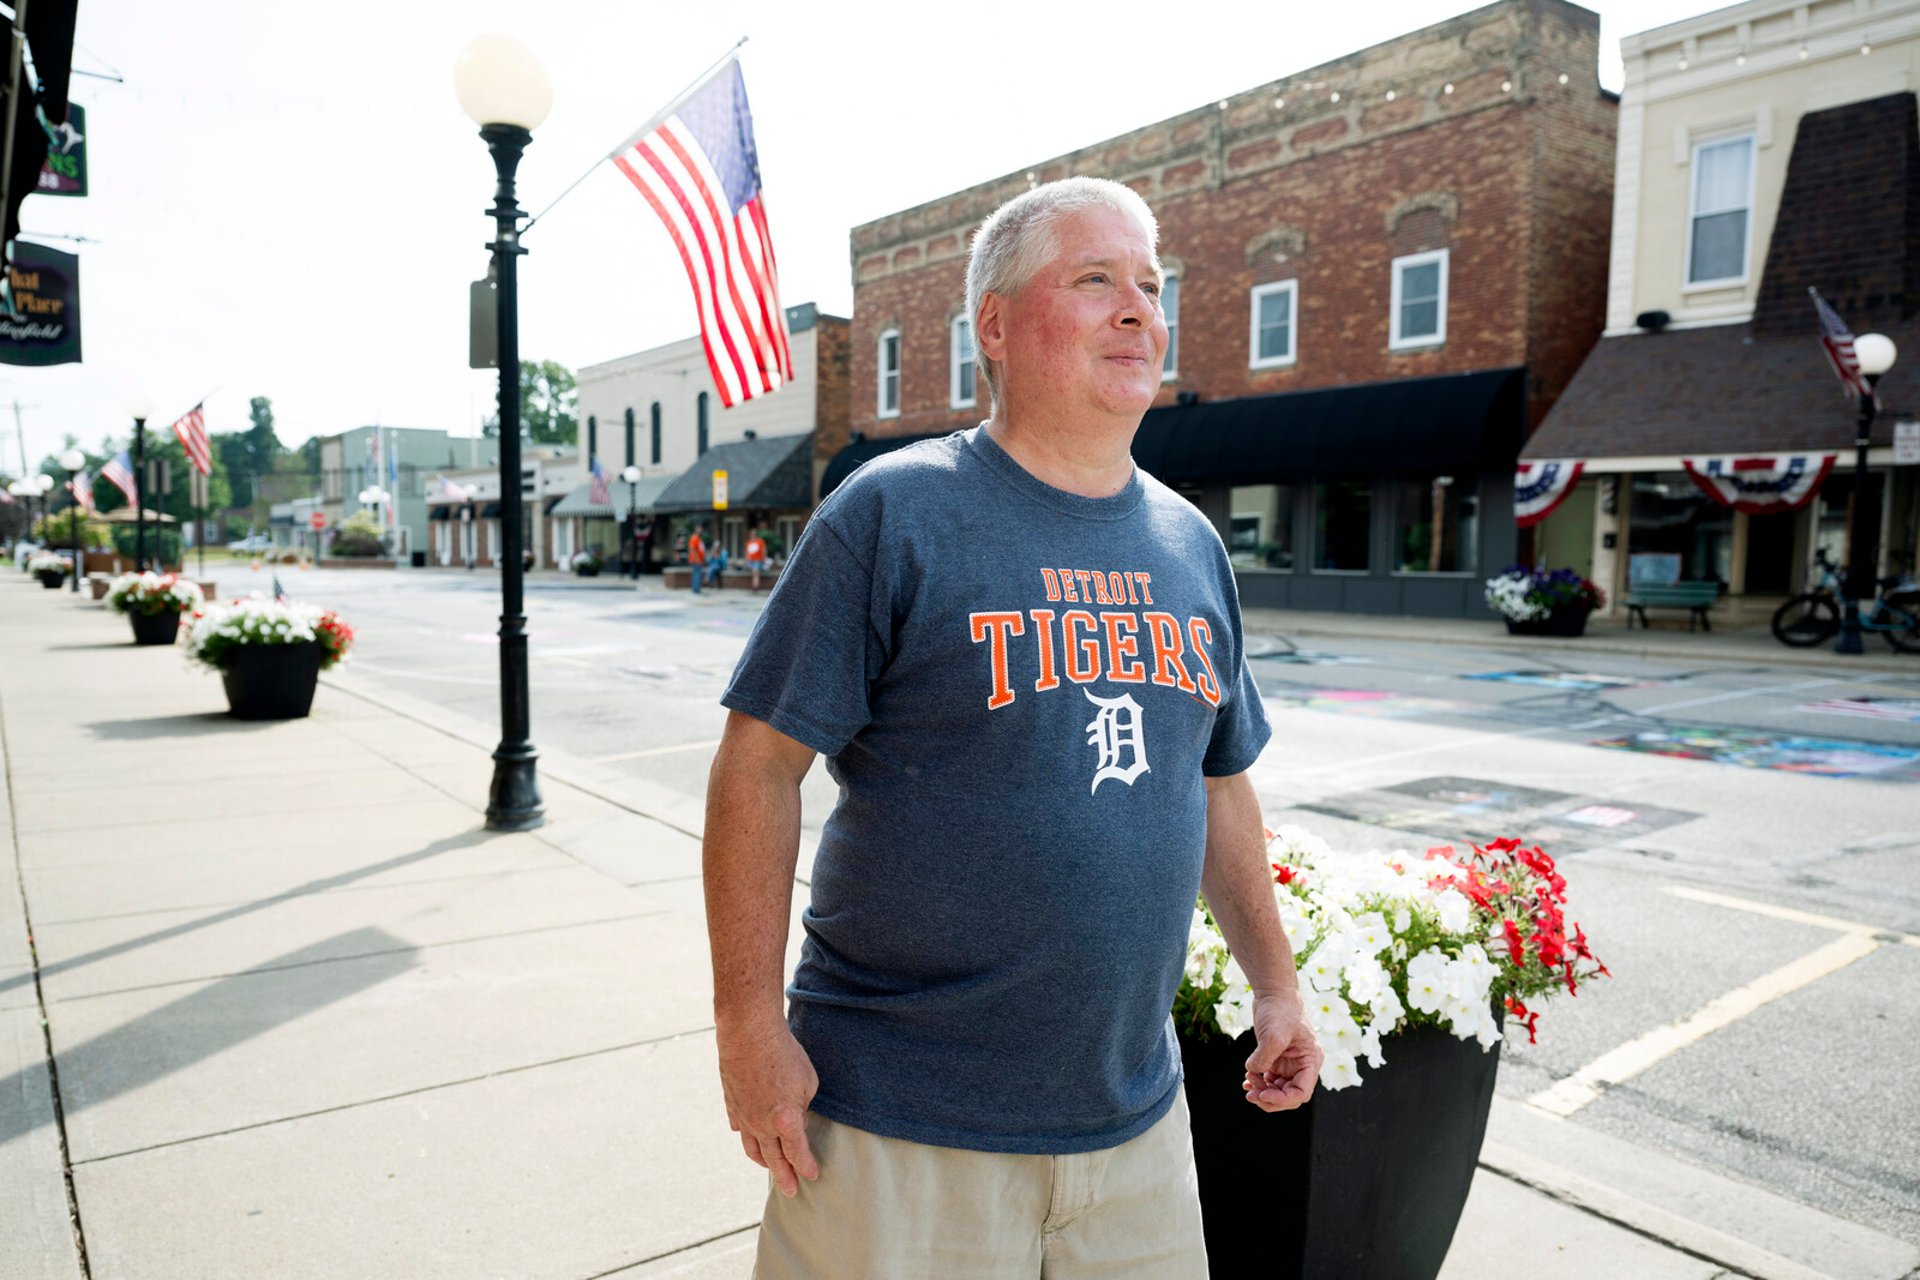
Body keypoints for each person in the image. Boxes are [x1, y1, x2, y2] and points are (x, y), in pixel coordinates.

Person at [703, 176, 1320, 1279]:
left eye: (1149, 283)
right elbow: (759, 763)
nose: (1139, 308)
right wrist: (748, 1024)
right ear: (993, 324)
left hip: (1134, 1130)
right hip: (901, 1122)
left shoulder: (1190, 545)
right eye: (1095, 280)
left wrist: (1274, 981)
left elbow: (1218, 782)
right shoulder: (892, 512)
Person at [687, 523, 709, 594]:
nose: (701, 530)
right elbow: (692, 549)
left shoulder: (699, 539)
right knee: (697, 574)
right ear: (696, 529)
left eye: (701, 529)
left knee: (698, 574)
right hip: (696, 560)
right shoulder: (694, 538)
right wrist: (696, 558)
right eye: (699, 529)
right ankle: (696, 589)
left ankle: (696, 588)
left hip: (700, 560)